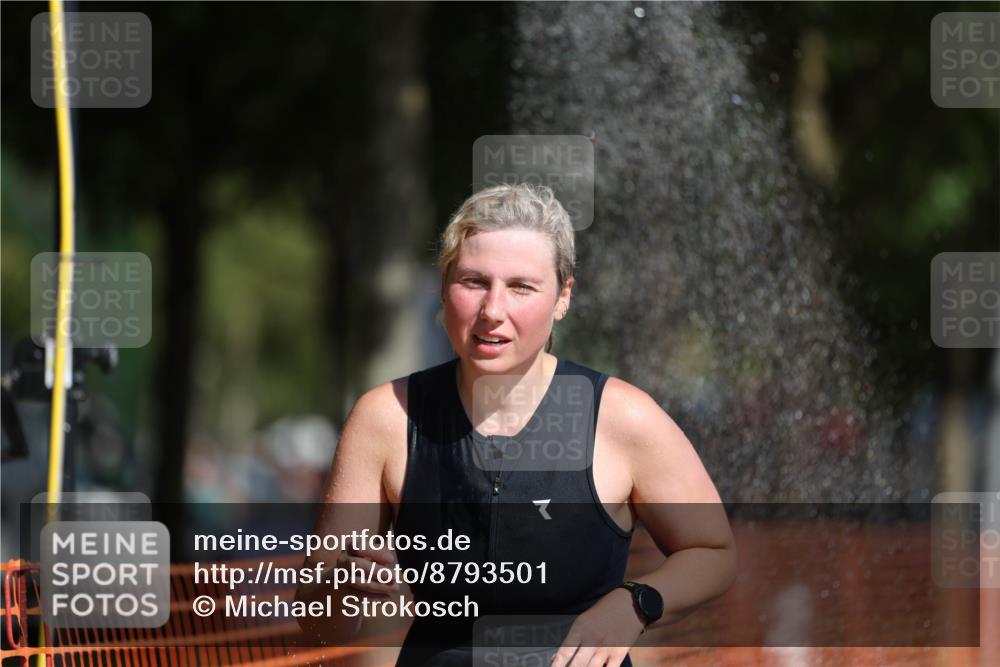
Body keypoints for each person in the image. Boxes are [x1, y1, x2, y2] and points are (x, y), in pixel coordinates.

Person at [296, 183, 737, 666]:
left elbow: (713, 551)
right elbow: (319, 622)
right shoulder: (386, 417)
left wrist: (634, 603)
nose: (492, 311)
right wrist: (342, 588)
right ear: (444, 286)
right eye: (473, 282)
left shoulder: (623, 417)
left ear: (563, 297)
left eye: (521, 287)